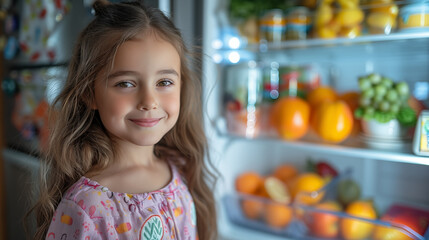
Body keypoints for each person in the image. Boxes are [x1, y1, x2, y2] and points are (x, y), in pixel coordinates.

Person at [30, 1, 217, 239]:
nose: (149, 101)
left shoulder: (181, 168)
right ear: (89, 93)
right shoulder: (88, 207)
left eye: (164, 83)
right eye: (125, 84)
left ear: (181, 85)